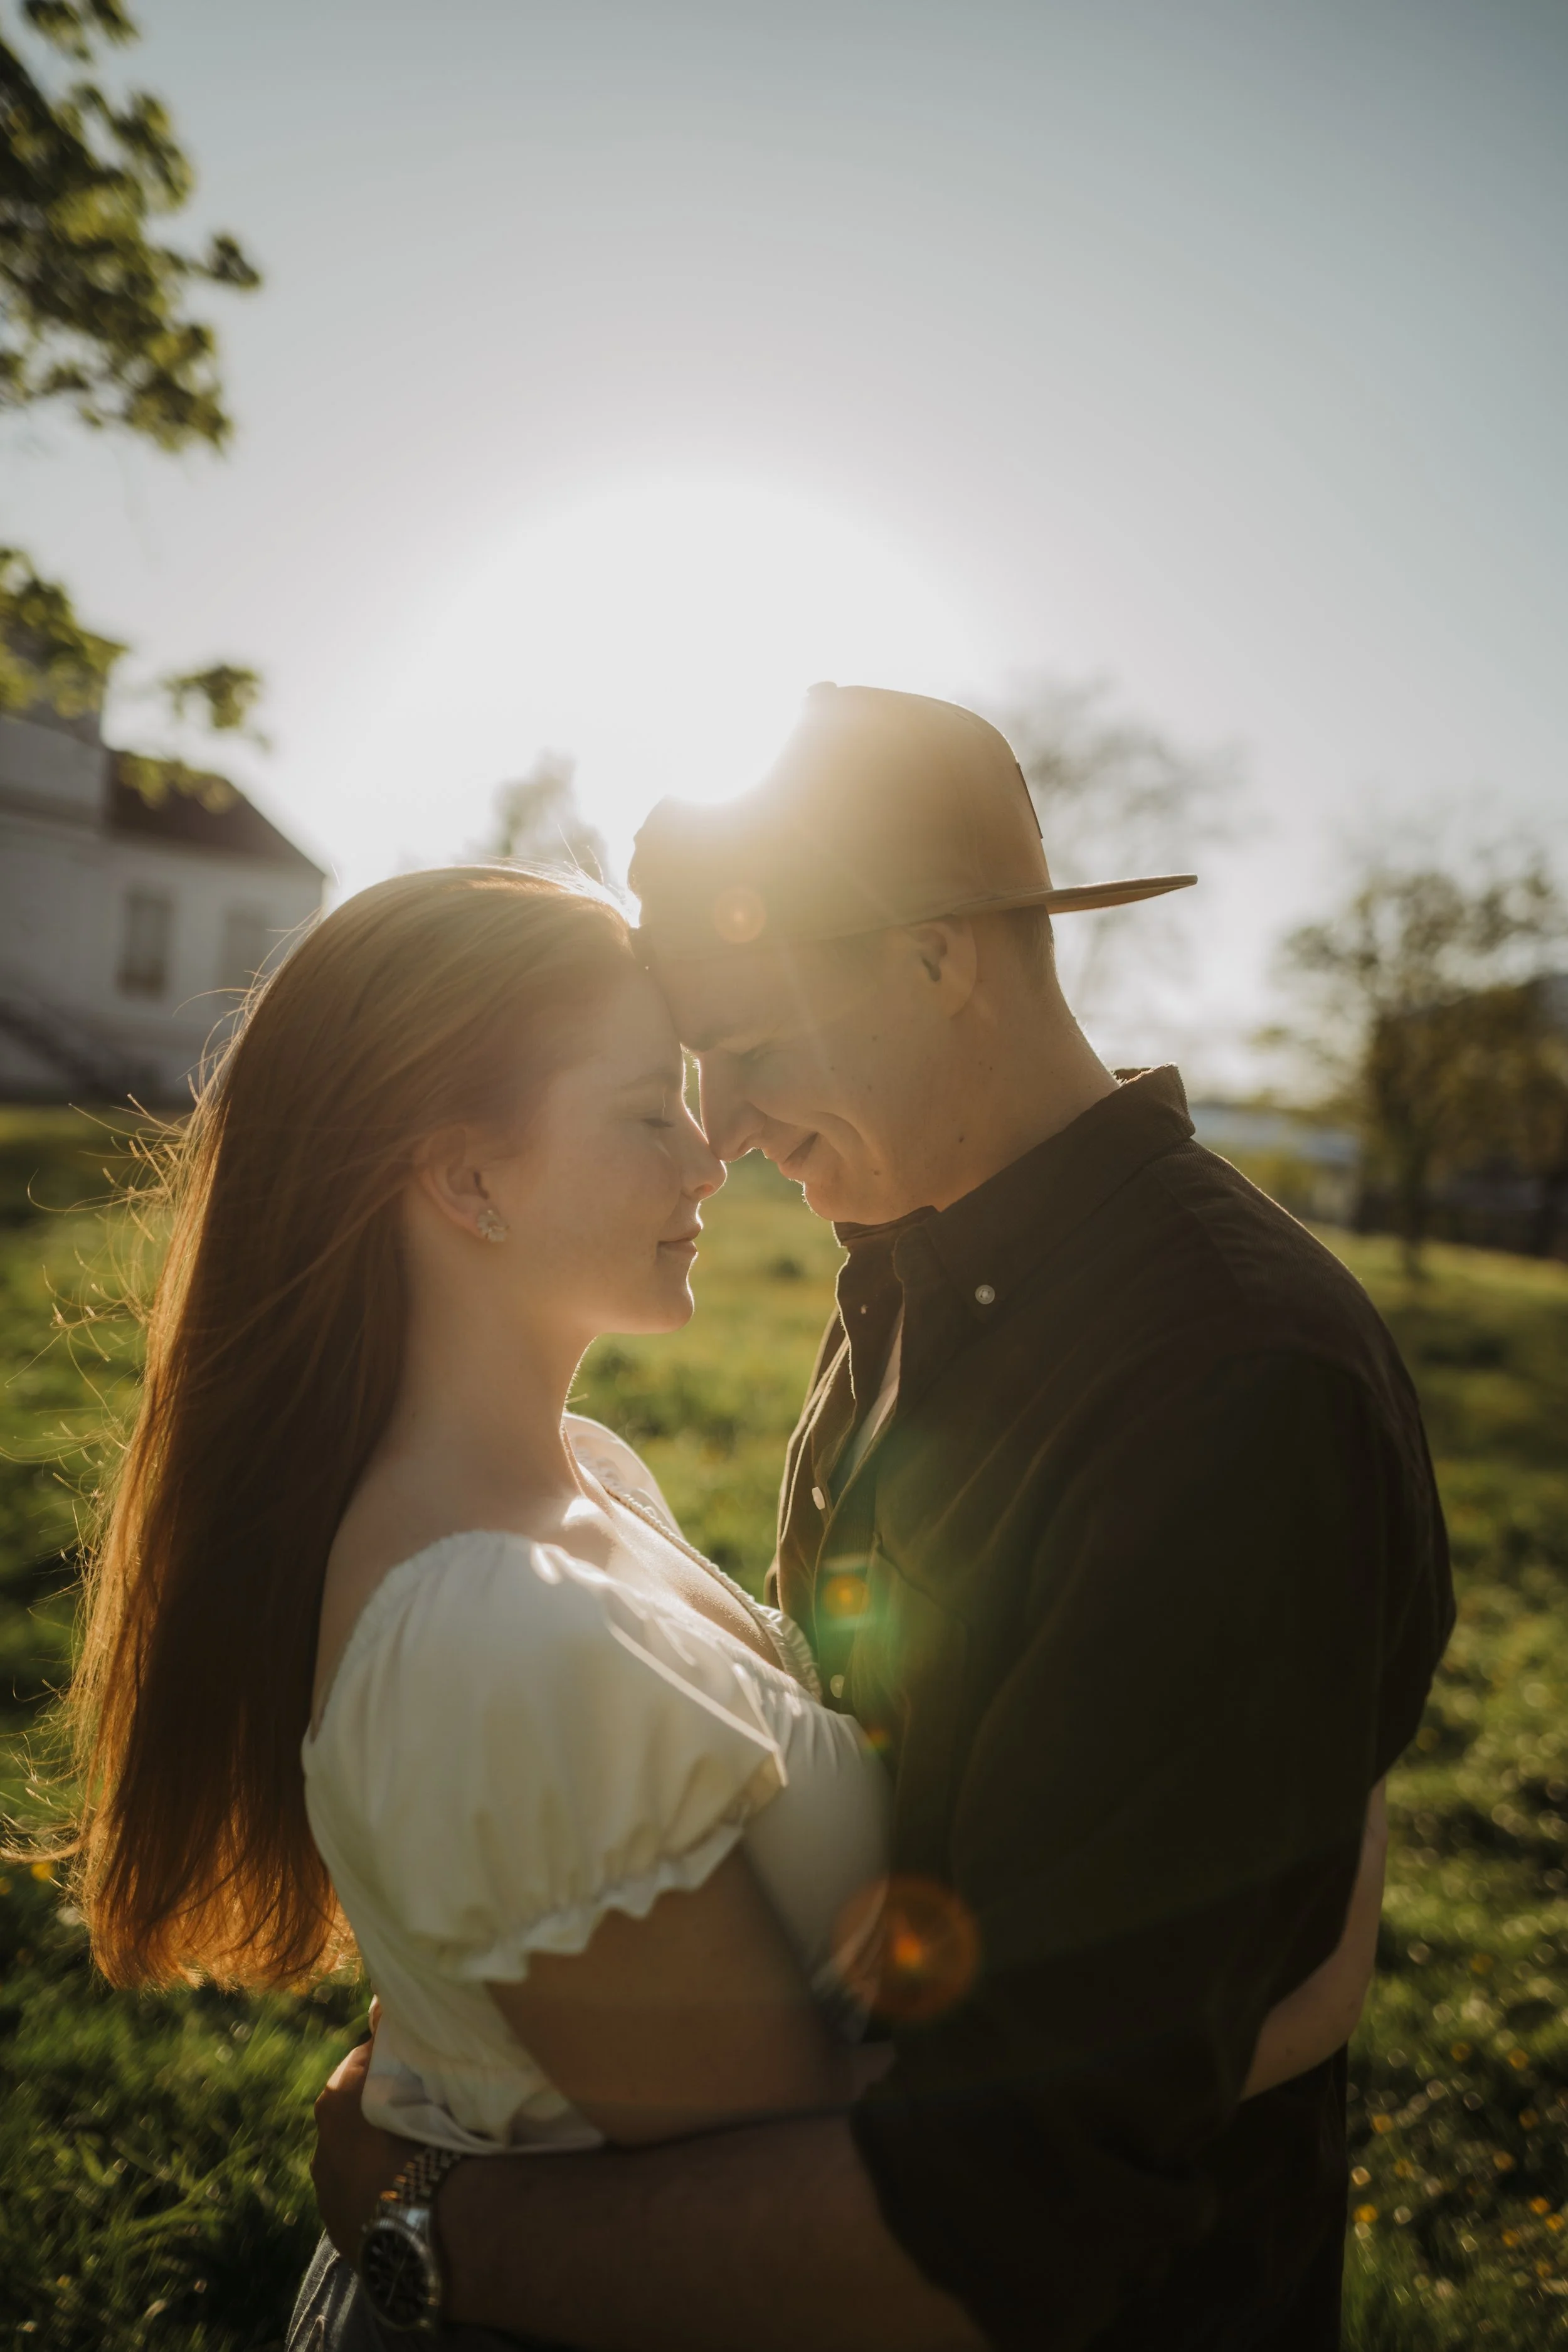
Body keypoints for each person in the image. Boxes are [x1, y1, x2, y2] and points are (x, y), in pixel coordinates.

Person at [308, 687, 1452, 2351]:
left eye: (756, 1051)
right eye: (694, 1072)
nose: (722, 1132)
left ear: (938, 960)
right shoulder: (915, 1259)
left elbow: (1023, 2207)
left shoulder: (1226, 1385)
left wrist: (423, 2215)